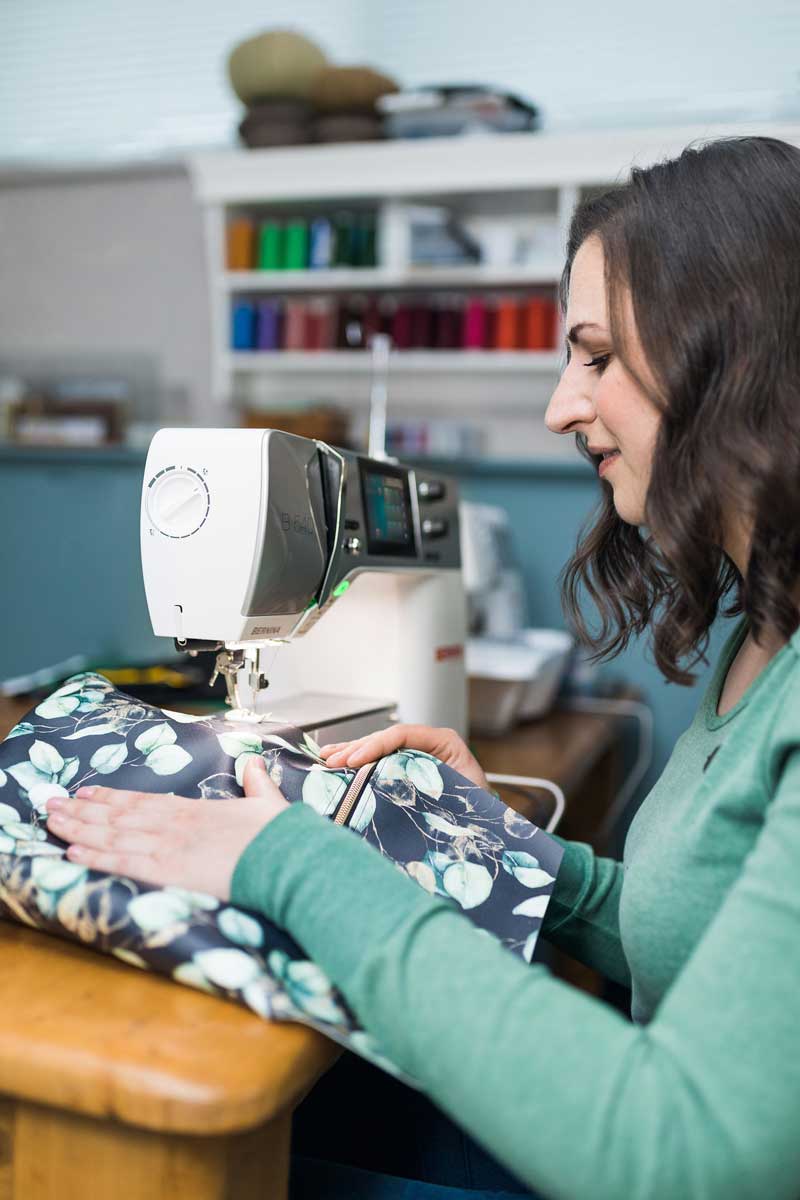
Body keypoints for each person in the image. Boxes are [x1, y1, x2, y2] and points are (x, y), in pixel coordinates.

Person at [44, 135, 800, 1200]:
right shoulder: (760, 637)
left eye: (594, 357)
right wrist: (506, 850)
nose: (559, 407)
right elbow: (705, 940)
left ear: (732, 352)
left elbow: (683, 1154)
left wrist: (293, 862)